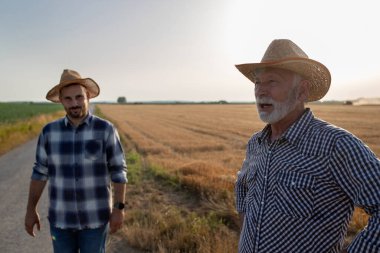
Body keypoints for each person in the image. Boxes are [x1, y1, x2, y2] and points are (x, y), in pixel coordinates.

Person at [234, 39, 380, 253]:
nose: (260, 91)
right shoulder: (256, 143)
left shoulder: (336, 145)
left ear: (302, 91)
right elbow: (243, 187)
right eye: (257, 82)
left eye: (272, 81)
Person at [24, 69, 128, 253]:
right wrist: (31, 209)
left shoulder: (105, 130)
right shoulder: (49, 132)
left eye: (79, 97)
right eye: (68, 99)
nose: (74, 104)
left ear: (88, 96)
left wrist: (119, 208)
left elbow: (118, 170)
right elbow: (40, 173)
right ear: (61, 100)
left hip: (95, 220)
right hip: (61, 221)